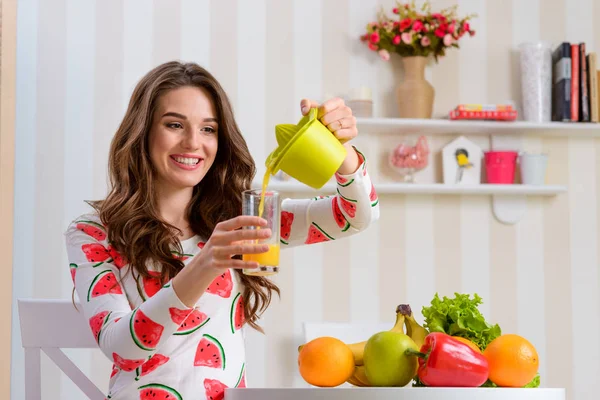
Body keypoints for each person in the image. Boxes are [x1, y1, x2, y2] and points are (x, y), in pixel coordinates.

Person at [65, 61, 380, 400]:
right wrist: (207, 263)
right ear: (142, 132)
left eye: (209, 129)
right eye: (174, 124)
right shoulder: (94, 232)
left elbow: (355, 215)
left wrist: (341, 148)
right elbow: (123, 349)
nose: (192, 143)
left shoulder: (243, 217)